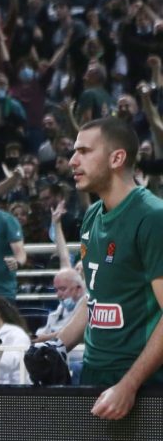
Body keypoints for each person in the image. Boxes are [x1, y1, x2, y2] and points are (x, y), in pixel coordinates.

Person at [57, 117, 163, 419]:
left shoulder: (153, 217)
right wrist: (59, 342)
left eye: (84, 151)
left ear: (117, 158)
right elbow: (96, 298)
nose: (73, 160)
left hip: (144, 386)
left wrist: (129, 384)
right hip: (95, 376)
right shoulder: (92, 215)